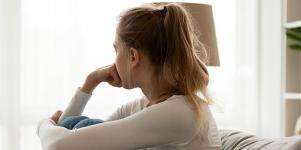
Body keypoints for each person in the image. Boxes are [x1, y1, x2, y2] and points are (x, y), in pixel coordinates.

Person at [37, 2, 222, 150]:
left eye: (116, 50)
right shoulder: (145, 106)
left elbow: (58, 145)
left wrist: (44, 125)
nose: (114, 60)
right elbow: (81, 139)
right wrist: (91, 81)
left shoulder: (180, 112)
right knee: (80, 125)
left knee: (79, 126)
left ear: (133, 56)